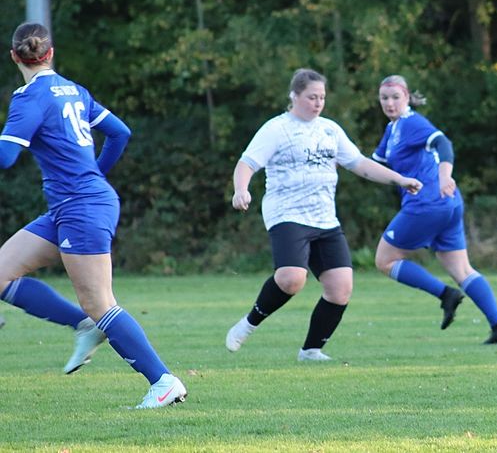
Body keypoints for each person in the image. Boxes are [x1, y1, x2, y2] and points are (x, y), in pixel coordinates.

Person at [0, 22, 187, 408]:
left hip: (81, 207)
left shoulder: (29, 98)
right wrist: (95, 175)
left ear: (14, 56)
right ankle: (82, 325)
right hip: (72, 205)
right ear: (50, 53)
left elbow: (5, 157)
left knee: (100, 302)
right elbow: (120, 133)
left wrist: (88, 183)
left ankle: (163, 381)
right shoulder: (74, 90)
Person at [226, 69, 422, 361]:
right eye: (311, 97)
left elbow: (360, 164)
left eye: (322, 97)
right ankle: (247, 324)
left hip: (325, 219)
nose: (318, 103)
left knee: (340, 288)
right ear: (294, 96)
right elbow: (247, 163)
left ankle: (310, 351)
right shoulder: (276, 129)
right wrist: (241, 190)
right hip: (287, 213)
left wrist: (400, 179)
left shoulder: (330, 129)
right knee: (292, 279)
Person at [371, 75, 497, 344]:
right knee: (462, 270)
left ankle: (445, 295)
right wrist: (338, 159)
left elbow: (443, 143)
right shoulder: (393, 130)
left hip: (426, 203)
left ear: (407, 97)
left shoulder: (412, 122)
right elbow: (373, 164)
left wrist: (445, 175)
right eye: (384, 98)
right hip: (448, 204)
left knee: (385, 260)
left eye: (395, 97)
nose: (389, 103)